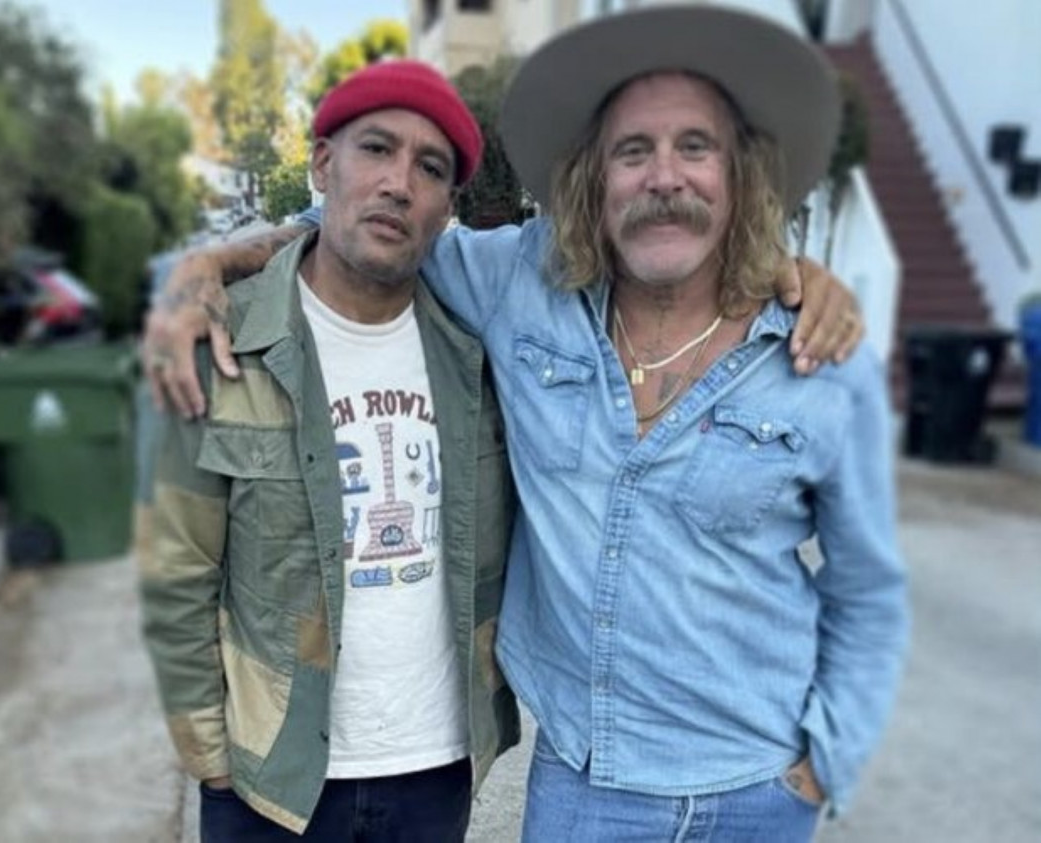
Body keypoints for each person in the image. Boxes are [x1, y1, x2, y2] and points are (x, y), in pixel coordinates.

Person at [144, 7, 905, 841]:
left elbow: (867, 586)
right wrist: (206, 265)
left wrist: (824, 761)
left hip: (759, 792)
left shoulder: (822, 354)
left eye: (696, 147)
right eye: (632, 150)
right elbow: (368, 234)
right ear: (594, 178)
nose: (663, 176)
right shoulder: (518, 282)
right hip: (585, 786)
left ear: (740, 174)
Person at [137, 60, 520, 842]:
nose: (398, 184)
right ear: (322, 164)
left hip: (433, 769)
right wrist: (210, 755)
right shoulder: (225, 342)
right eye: (375, 148)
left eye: (430, 168)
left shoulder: (479, 355)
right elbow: (175, 565)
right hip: (269, 780)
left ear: (448, 206)